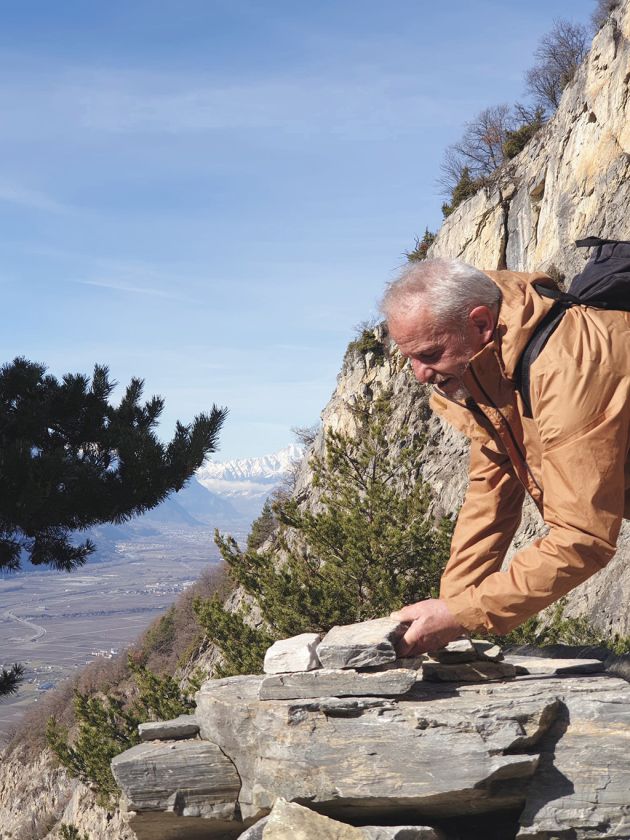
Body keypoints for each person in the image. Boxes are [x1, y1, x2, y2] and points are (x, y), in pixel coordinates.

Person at [381, 257, 630, 655]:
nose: (419, 374)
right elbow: (490, 496)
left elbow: (582, 537)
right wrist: (448, 615)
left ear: (480, 323)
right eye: (409, 358)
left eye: (429, 354)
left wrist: (462, 614)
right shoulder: (492, 368)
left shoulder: (568, 367)